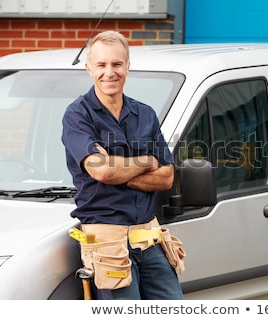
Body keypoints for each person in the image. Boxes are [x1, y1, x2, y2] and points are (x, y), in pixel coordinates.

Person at [61, 30, 183, 300]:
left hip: (150, 238)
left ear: (127, 65)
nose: (109, 72)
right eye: (101, 65)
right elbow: (101, 170)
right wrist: (146, 162)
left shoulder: (145, 114)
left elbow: (165, 178)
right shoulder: (77, 115)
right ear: (89, 68)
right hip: (107, 244)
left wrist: (116, 171)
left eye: (117, 64)